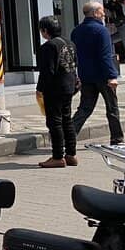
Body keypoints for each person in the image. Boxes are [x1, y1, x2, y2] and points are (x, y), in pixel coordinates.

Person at [71, 1, 125, 149]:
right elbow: (105, 56)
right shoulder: (101, 31)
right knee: (112, 108)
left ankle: (68, 137)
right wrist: (112, 76)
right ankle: (117, 139)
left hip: (85, 74)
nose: (104, 14)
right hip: (102, 75)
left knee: (84, 108)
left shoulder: (76, 31)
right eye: (102, 11)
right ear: (95, 13)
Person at [36, 16, 79, 169]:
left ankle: (57, 156)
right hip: (69, 86)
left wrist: (40, 89)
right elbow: (74, 65)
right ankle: (71, 154)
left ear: (45, 31)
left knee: (55, 122)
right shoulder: (70, 44)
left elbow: (47, 72)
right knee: (67, 120)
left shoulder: (48, 47)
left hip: (54, 89)